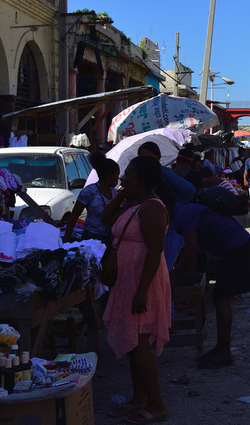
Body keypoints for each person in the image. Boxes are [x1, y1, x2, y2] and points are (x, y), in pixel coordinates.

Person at [100, 156, 172, 422]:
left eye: (127, 175)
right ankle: (139, 397)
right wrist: (121, 194)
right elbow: (106, 219)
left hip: (143, 282)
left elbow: (155, 251)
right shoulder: (134, 203)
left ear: (141, 179)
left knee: (140, 343)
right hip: (128, 280)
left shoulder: (152, 207)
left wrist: (141, 292)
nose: (121, 179)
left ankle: (156, 405)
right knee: (132, 343)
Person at [169, 200, 250, 370]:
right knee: (220, 297)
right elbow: (192, 250)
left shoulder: (184, 214)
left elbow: (192, 250)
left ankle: (224, 353)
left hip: (237, 248)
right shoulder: (186, 210)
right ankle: (220, 349)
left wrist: (174, 278)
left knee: (222, 297)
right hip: (234, 247)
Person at [62, 153, 119, 246]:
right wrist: (66, 239)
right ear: (109, 175)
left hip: (109, 238)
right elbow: (74, 216)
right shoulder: (89, 191)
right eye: (117, 174)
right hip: (91, 238)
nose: (118, 177)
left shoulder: (114, 193)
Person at [137, 141, 196, 206]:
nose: (146, 161)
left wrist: (172, 207)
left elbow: (189, 189)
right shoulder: (145, 174)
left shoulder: (163, 172)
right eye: (142, 158)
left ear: (158, 156)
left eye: (149, 158)